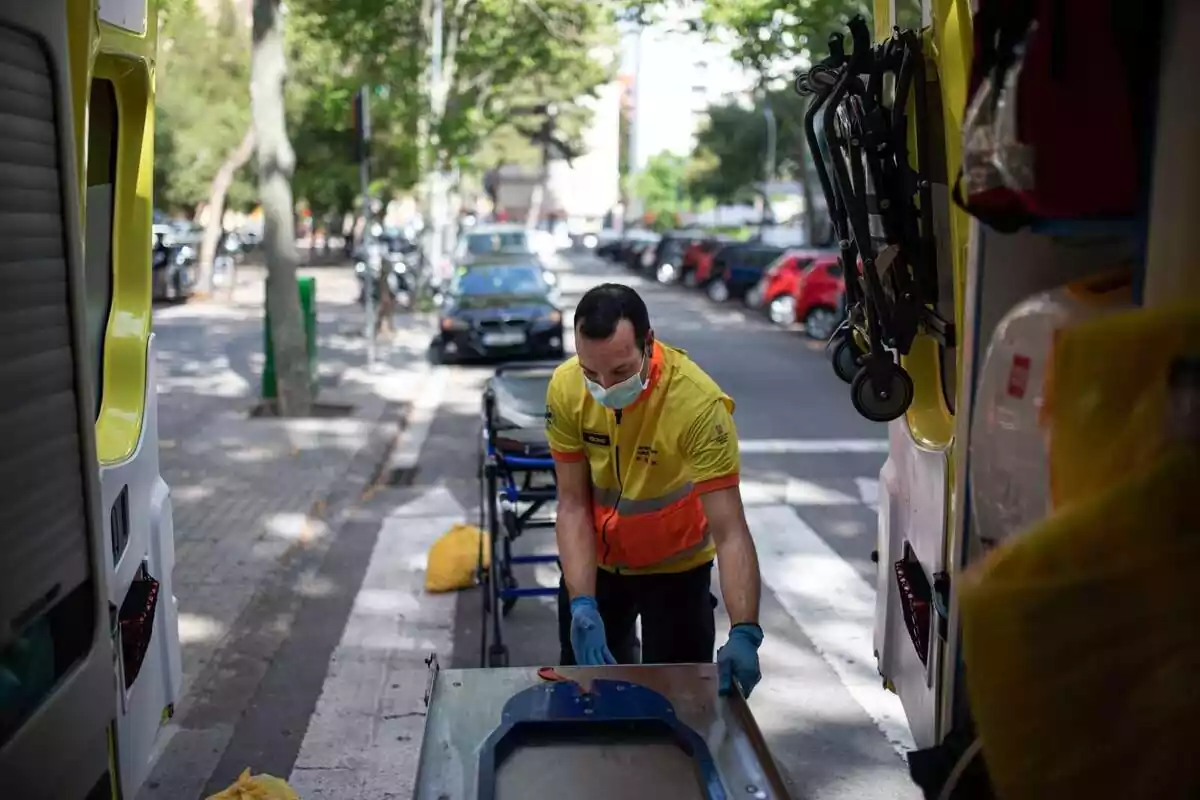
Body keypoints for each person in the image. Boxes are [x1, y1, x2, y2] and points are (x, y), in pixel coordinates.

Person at [545, 283, 765, 697]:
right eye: (591, 372)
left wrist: (745, 629)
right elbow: (572, 504)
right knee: (587, 701)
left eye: (621, 372)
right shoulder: (564, 388)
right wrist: (581, 601)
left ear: (649, 342)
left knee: (681, 705)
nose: (605, 389)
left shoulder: (697, 406)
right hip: (598, 569)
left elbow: (730, 530)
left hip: (676, 573)